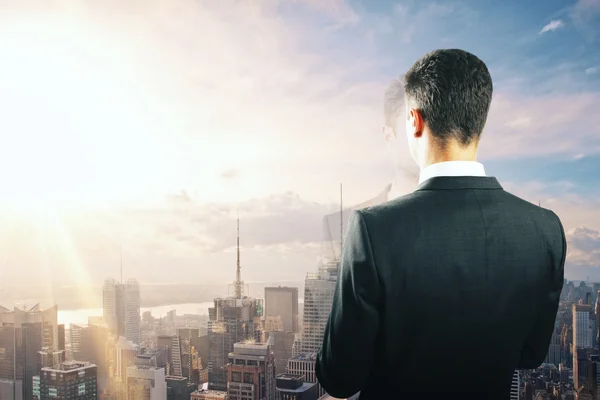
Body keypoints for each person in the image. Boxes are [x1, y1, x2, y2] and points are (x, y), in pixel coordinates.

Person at [315, 49, 566, 399]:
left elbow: (339, 378)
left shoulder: (373, 230)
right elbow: (530, 353)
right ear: (480, 121)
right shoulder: (545, 230)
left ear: (414, 121)